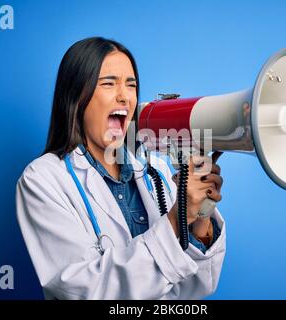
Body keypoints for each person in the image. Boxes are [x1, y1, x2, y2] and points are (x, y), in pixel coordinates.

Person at [15, 37, 226, 300]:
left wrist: (200, 215)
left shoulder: (157, 171)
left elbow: (198, 285)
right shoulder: (43, 179)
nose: (124, 96)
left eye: (131, 85)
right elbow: (85, 290)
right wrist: (176, 219)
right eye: (108, 83)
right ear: (76, 96)